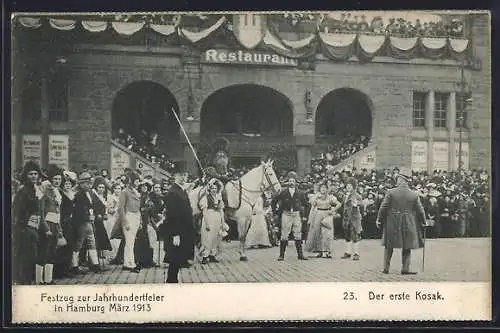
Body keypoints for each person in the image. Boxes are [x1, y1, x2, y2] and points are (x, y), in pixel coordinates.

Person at [376, 167, 426, 275]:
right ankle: (405, 268)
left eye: (398, 178)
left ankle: (386, 268)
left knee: (389, 246)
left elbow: (383, 207)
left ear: (402, 179)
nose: (396, 180)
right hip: (408, 222)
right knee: (407, 246)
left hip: (392, 221)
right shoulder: (414, 194)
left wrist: (379, 219)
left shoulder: (391, 192)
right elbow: (420, 210)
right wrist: (424, 221)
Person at [162, 162, 195, 283]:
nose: (183, 178)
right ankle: (171, 281)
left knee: (179, 258)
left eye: (185, 175)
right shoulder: (173, 192)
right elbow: (172, 215)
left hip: (184, 230)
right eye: (180, 175)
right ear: (175, 176)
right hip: (177, 231)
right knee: (174, 259)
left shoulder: (181, 190)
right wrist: (175, 234)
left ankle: (173, 279)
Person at [12, 161, 44, 285]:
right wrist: (23, 226)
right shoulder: (23, 191)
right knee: (24, 259)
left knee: (31, 258)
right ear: (26, 175)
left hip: (34, 229)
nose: (34, 176)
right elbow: (17, 211)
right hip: (25, 230)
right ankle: (23, 284)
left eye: (36, 174)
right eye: (31, 174)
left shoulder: (35, 190)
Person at [70, 172, 103, 274]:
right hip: (80, 222)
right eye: (86, 183)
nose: (89, 185)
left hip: (88, 221)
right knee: (79, 244)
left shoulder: (88, 193)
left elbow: (92, 206)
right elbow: (77, 210)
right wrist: (88, 216)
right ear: (81, 184)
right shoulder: (78, 194)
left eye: (89, 183)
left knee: (91, 242)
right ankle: (74, 265)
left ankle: (95, 264)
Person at [271, 171, 309, 261]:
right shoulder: (283, 193)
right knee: (284, 234)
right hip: (286, 214)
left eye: (293, 181)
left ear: (296, 182)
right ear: (288, 182)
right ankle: (281, 255)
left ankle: (300, 255)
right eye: (290, 181)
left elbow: (307, 205)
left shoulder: (300, 193)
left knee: (298, 234)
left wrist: (305, 215)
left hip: (296, 214)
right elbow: (274, 201)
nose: (291, 182)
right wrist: (275, 212)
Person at [38, 165, 65, 284]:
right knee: (44, 251)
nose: (57, 181)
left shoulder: (58, 192)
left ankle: (48, 279)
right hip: (47, 224)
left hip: (55, 224)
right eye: (55, 179)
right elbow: (41, 211)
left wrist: (59, 228)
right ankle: (39, 279)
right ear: (51, 179)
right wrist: (45, 227)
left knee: (52, 251)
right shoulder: (45, 191)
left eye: (59, 179)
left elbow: (58, 212)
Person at [305, 181, 341, 258]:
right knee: (318, 233)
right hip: (318, 214)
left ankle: (327, 251)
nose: (323, 189)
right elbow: (312, 203)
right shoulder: (317, 196)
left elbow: (339, 204)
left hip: (326, 215)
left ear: (327, 189)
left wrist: (332, 210)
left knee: (326, 234)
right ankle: (319, 250)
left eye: (325, 188)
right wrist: (316, 198)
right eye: (322, 188)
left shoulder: (330, 197)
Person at [115, 172, 142, 273]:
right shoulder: (124, 192)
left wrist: (140, 221)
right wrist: (125, 222)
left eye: (138, 181)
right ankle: (130, 263)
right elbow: (120, 208)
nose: (138, 183)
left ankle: (128, 262)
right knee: (129, 241)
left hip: (136, 216)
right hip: (128, 216)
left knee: (131, 241)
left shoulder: (136, 192)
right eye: (136, 181)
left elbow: (138, 207)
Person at [199, 178, 225, 264]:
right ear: (209, 189)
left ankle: (212, 255)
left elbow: (221, 210)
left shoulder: (219, 197)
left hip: (217, 218)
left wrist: (223, 222)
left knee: (216, 237)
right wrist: (206, 223)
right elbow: (204, 211)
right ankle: (205, 256)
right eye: (212, 188)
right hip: (209, 217)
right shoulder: (206, 198)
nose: (214, 190)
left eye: (215, 188)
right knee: (207, 237)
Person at [91, 176, 113, 268]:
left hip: (102, 220)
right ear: (96, 187)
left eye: (103, 187)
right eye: (99, 187)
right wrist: (98, 214)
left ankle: (101, 260)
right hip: (96, 220)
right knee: (97, 240)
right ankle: (94, 262)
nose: (101, 189)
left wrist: (105, 213)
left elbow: (104, 208)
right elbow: (92, 207)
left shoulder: (103, 197)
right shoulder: (94, 195)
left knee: (102, 240)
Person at [341, 177, 363, 260]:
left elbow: (361, 204)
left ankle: (356, 253)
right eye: (347, 185)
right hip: (346, 218)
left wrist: (356, 204)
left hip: (354, 218)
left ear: (353, 186)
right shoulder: (345, 195)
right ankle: (348, 252)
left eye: (350, 185)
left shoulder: (356, 195)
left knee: (354, 235)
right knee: (347, 235)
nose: (348, 187)